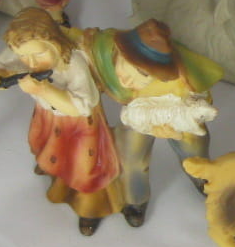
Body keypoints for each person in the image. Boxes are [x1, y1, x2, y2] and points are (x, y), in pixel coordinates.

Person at [0, 7, 124, 236]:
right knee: (47, 145)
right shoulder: (24, 50)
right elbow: (5, 63)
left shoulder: (72, 63)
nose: (31, 62)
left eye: (38, 55)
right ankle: (57, 174)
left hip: (80, 124)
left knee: (86, 166)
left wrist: (44, 90)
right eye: (24, 56)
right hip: (48, 116)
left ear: (54, 44)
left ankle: (90, 208)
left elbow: (82, 105)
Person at [83, 19, 220, 227]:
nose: (128, 80)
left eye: (143, 75)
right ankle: (135, 200)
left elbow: (198, 104)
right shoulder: (106, 51)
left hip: (176, 112)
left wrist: (175, 126)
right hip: (137, 114)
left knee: (194, 148)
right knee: (131, 157)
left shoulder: (181, 80)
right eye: (125, 66)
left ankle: (204, 180)